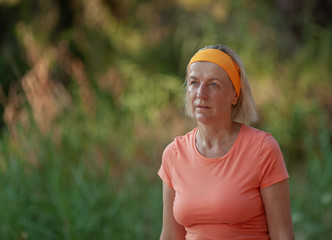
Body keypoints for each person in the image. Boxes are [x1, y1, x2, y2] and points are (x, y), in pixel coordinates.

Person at [158, 44, 294, 240]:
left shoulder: (263, 149)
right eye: (194, 82)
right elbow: (170, 235)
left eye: (213, 84)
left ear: (235, 94)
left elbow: (282, 235)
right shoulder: (173, 154)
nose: (201, 94)